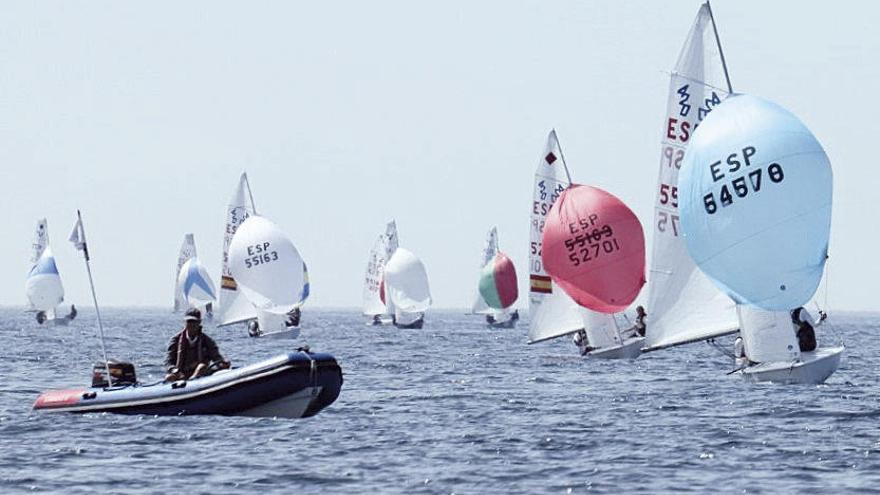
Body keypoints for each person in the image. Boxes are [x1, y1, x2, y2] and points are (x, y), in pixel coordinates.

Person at [165, 308, 230, 381]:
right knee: (169, 377)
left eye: (194, 321)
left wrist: (223, 363)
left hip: (201, 375)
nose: (191, 324)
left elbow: (217, 358)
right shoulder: (175, 340)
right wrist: (175, 371)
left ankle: (192, 381)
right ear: (185, 322)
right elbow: (168, 362)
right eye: (189, 321)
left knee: (201, 367)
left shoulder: (207, 341)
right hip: (181, 374)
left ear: (199, 322)